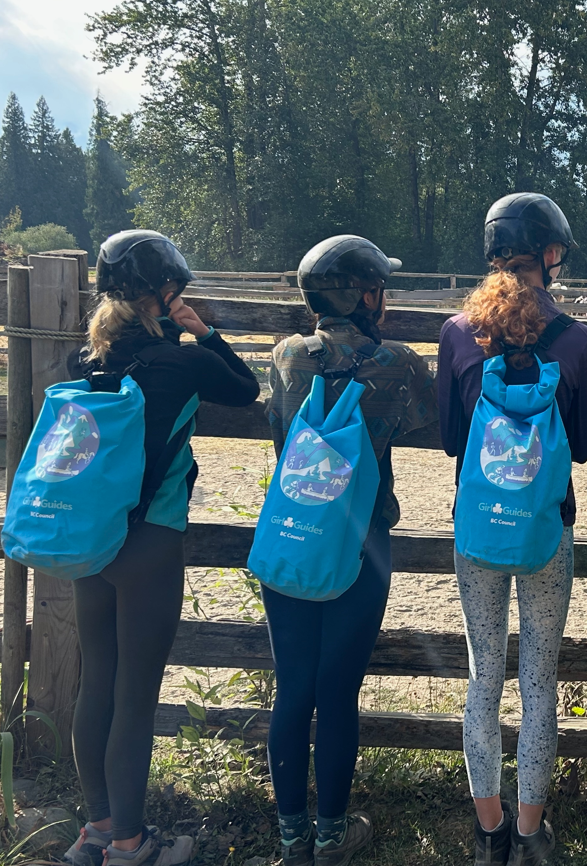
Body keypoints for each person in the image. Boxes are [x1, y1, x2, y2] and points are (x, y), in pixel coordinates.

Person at [63, 231, 260, 866]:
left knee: (98, 682)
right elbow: (245, 387)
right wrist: (201, 331)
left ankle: (95, 829)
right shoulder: (183, 361)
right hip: (150, 540)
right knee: (136, 695)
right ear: (165, 291)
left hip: (93, 540)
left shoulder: (85, 362)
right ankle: (131, 842)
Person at [438, 193, 587, 866]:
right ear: (551, 255)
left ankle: (488, 833)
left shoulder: (456, 333)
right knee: (538, 681)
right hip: (545, 530)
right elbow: (584, 446)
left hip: (477, 530)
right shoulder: (580, 341)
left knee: (483, 678)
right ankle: (531, 835)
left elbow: (452, 439)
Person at [265, 236, 437, 866]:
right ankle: (333, 835)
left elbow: (275, 426)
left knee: (293, 687)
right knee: (337, 691)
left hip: (294, 533)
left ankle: (291, 839)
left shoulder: (286, 356)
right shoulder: (398, 363)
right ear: (367, 295)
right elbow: (430, 420)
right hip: (362, 542)